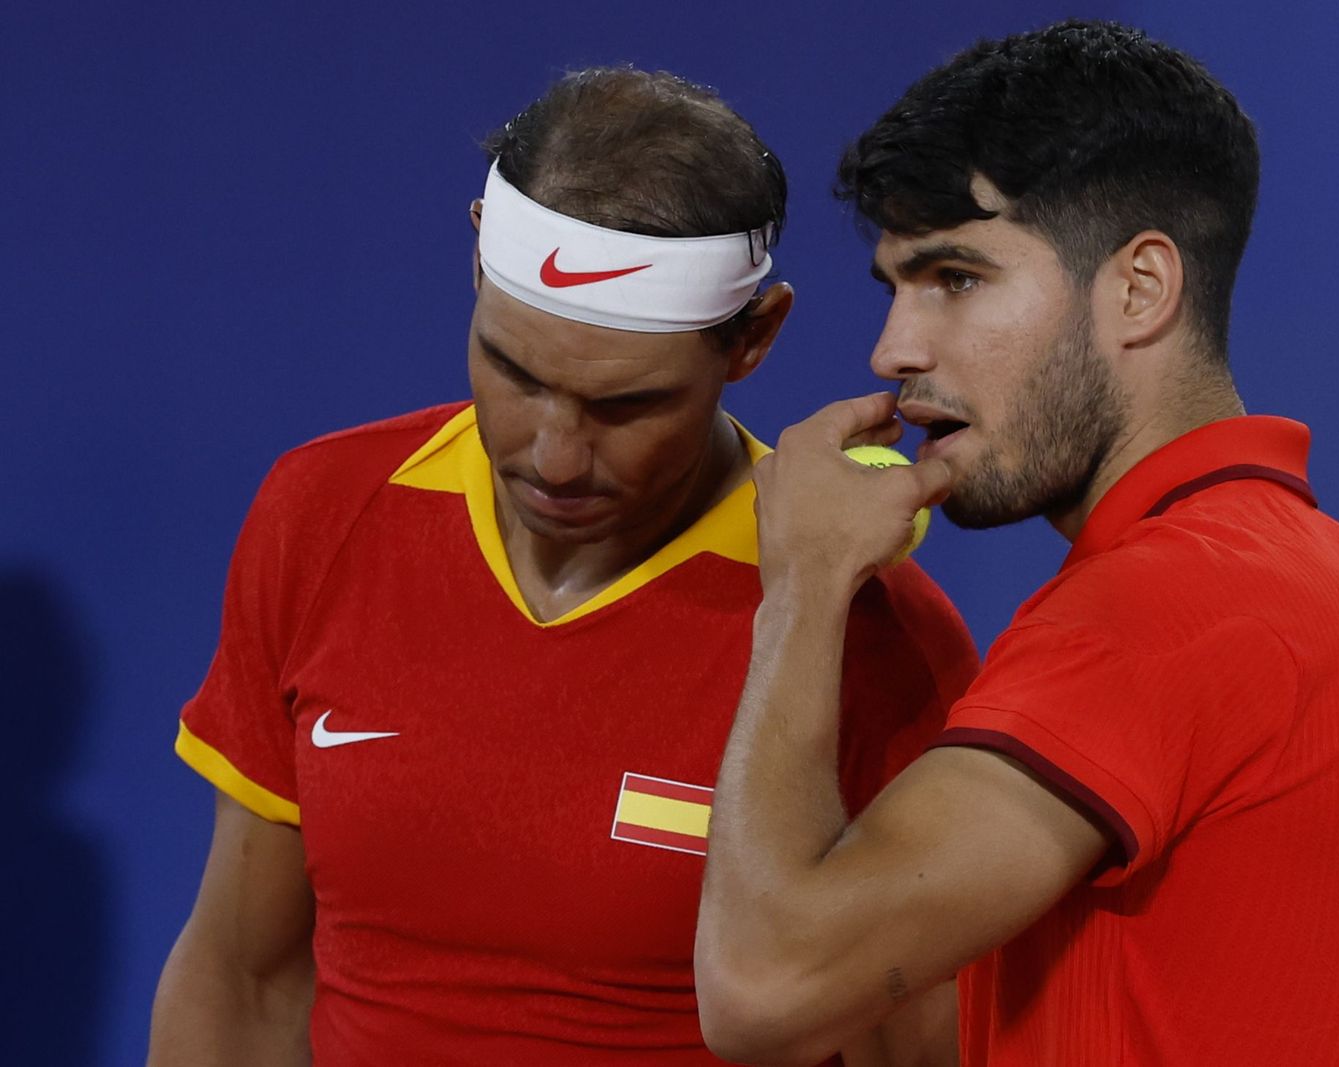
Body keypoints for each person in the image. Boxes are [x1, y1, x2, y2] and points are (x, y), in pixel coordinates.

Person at [694, 21, 1339, 1067]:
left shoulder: (1153, 612)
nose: (895, 347)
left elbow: (762, 990)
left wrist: (802, 582)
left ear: (1140, 289)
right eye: (893, 286)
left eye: (956, 278)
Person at [149, 67, 977, 1066]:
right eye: (513, 370)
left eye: (625, 406)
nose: (552, 456)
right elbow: (243, 974)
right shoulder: (326, 513)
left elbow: (918, 1043)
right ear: (474, 272)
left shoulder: (864, 625)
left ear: (753, 338)